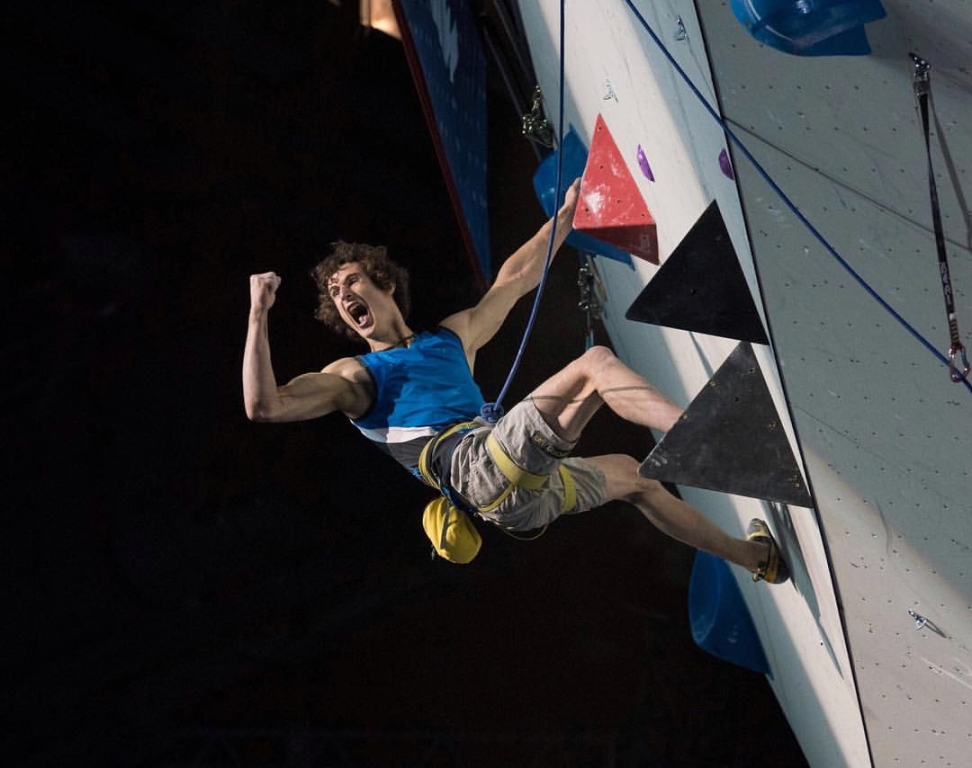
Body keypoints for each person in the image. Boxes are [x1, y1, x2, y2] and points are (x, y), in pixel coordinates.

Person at [243, 179, 788, 582]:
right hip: (479, 469)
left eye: (351, 282)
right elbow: (265, 406)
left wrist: (568, 216)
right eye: (338, 296)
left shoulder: (450, 339)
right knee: (595, 366)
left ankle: (756, 559)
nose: (344, 297)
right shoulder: (355, 376)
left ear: (381, 283)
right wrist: (258, 313)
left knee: (635, 477)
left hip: (521, 493)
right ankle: (713, 441)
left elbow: (516, 279)